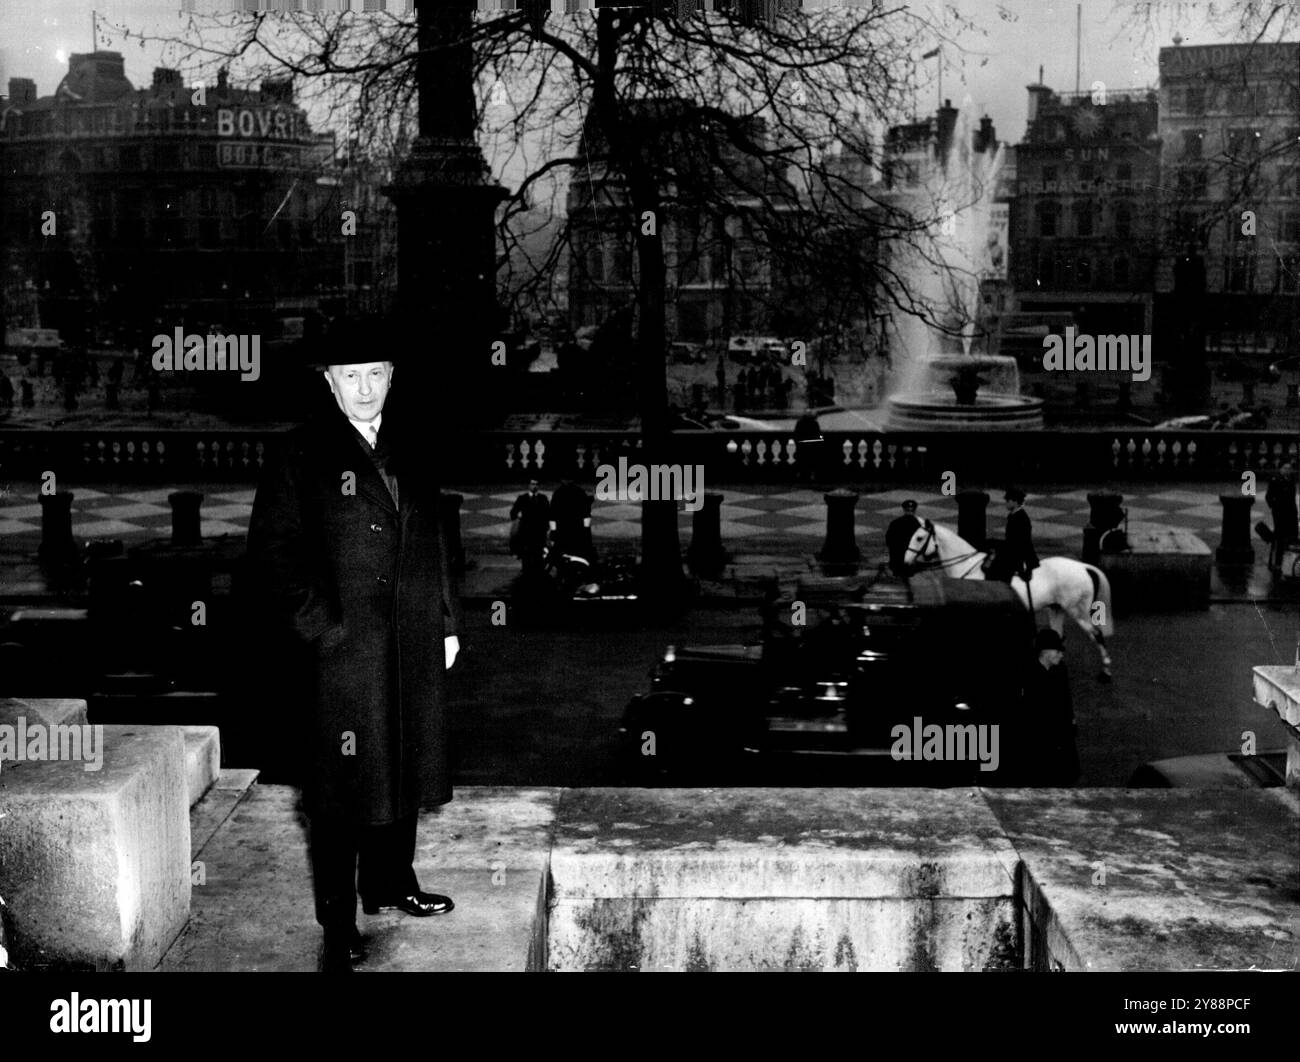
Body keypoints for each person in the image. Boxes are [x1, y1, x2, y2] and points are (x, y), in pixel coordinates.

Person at [247, 317, 462, 973]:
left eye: (376, 375)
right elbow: (273, 558)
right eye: (350, 377)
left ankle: (392, 883)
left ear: (392, 378)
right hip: (344, 653)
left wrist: (449, 619)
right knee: (340, 790)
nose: (365, 390)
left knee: (405, 762)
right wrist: (321, 630)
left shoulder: (415, 442)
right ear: (329, 383)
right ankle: (338, 923)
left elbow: (439, 540)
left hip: (414, 636)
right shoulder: (300, 454)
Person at [1020, 628, 1079, 785]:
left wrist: (1071, 720)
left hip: (1059, 727)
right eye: (1057, 651)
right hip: (1037, 731)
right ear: (1044, 651)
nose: (1061, 655)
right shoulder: (1028, 671)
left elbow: (1066, 698)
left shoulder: (1061, 669)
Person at [988, 486, 1039, 583]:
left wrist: (998, 544)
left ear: (1015, 502)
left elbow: (1019, 543)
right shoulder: (1013, 515)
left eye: (1008, 500)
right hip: (1012, 551)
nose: (1006, 502)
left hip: (1016, 555)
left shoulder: (1021, 518)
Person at [510, 479, 551, 574]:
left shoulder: (543, 498)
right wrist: (517, 515)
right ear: (529, 485)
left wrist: (547, 527)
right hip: (526, 531)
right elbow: (513, 512)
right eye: (532, 484)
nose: (534, 486)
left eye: (537, 484)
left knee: (538, 555)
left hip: (539, 532)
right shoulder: (522, 498)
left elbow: (548, 513)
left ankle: (538, 573)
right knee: (526, 556)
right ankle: (526, 574)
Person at [1262, 462, 1298, 571]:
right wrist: (1275, 508)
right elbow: (1269, 497)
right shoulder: (1275, 481)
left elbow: (1292, 499)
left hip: (1291, 513)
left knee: (1291, 537)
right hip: (1280, 513)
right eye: (1285, 468)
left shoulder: (1291, 481)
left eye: (1289, 468)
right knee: (1280, 538)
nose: (1287, 470)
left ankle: (1288, 562)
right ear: (1281, 469)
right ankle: (1277, 563)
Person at [885, 499, 922, 577]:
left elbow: (889, 540)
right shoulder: (919, 525)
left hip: (897, 560)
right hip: (911, 560)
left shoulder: (895, 523)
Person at [792, 407, 822, 484]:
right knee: (811, 462)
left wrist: (798, 443)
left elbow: (796, 435)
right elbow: (818, 435)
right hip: (811, 447)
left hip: (802, 446)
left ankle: (802, 477)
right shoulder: (814, 423)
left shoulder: (800, 422)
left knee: (802, 463)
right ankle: (810, 477)